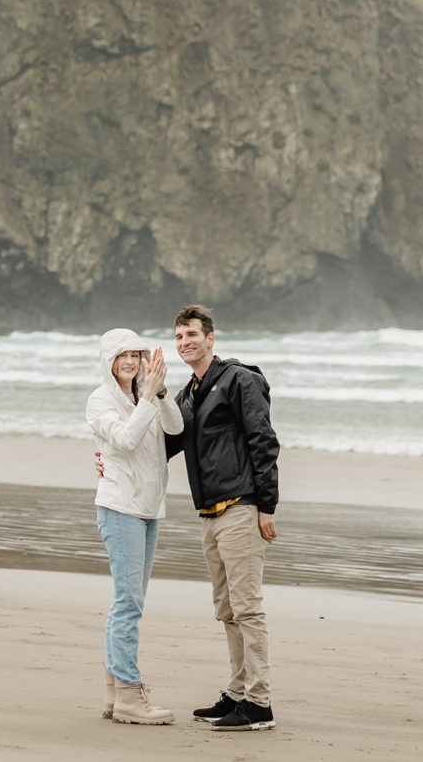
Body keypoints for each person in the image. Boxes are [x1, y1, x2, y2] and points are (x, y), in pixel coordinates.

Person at [96, 306, 280, 732]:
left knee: (247, 609)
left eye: (192, 335)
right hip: (210, 514)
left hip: (241, 507)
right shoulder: (190, 393)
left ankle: (259, 703)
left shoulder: (240, 380)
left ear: (210, 338)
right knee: (227, 610)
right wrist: (106, 458)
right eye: (179, 337)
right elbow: (158, 445)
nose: (185, 343)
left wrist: (267, 505)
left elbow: (263, 441)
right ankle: (237, 693)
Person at [86, 327, 184, 726]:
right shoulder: (99, 400)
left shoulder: (144, 394)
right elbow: (125, 440)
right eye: (122, 355)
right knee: (129, 603)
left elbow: (176, 428)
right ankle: (129, 692)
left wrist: (159, 392)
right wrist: (147, 399)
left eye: (136, 355)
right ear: (109, 361)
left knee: (128, 602)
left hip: (148, 509)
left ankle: (115, 692)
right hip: (119, 508)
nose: (130, 361)